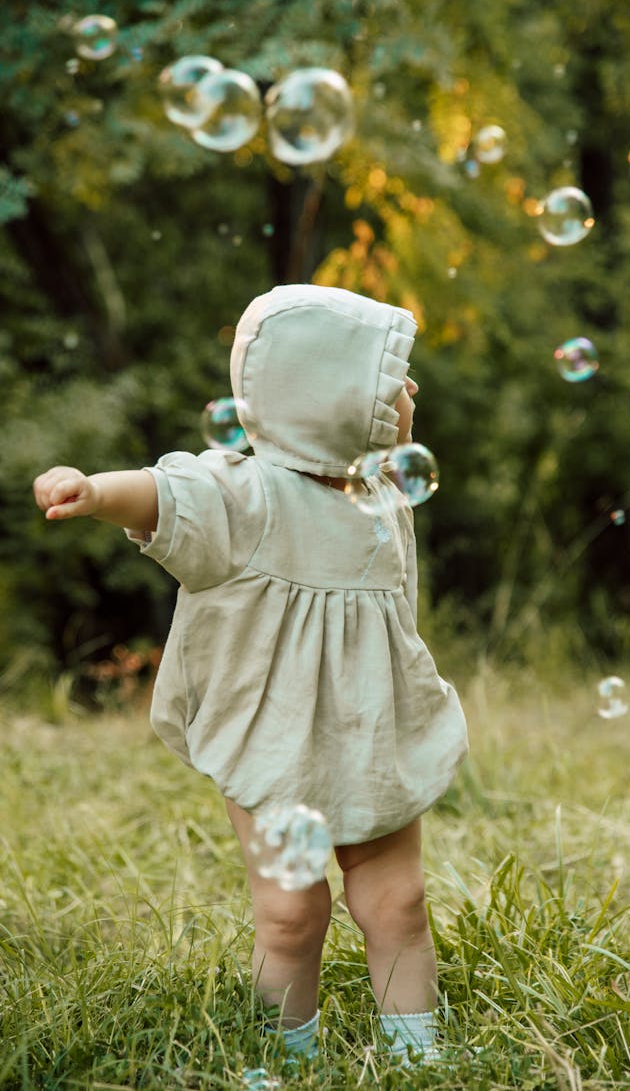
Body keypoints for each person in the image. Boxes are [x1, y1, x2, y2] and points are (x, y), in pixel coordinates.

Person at [33, 284, 469, 1069]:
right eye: (389, 377)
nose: (409, 390)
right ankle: (288, 1060)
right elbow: (164, 495)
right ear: (329, 396)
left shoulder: (382, 494)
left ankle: (420, 1063)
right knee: (292, 913)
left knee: (399, 899)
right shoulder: (246, 496)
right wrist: (96, 492)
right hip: (273, 741)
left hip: (372, 729)